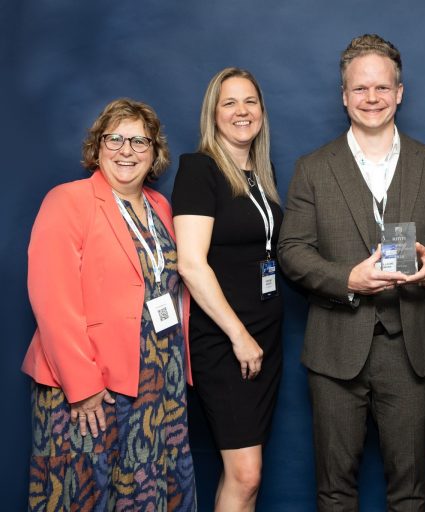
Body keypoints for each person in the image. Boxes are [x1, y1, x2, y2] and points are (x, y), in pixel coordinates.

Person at [278, 34, 425, 511]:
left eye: (382, 87)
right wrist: (348, 280)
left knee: (410, 492)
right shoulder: (312, 169)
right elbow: (292, 251)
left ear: (399, 93)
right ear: (344, 96)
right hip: (335, 350)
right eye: (360, 88)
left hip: (412, 350)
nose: (372, 98)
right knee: (335, 491)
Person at [22, 98, 197, 511]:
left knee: (145, 494)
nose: (126, 151)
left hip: (157, 383)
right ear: (98, 146)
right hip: (90, 386)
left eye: (139, 141)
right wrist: (82, 387)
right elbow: (52, 300)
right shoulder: (68, 201)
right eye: (115, 139)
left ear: (154, 151)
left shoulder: (161, 207)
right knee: (84, 495)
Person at [172, 67, 282, 511]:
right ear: (213, 114)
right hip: (225, 339)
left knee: (245, 478)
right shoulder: (199, 169)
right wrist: (238, 336)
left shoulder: (261, 173)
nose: (242, 111)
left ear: (262, 111)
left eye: (250, 101)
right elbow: (191, 264)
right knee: (245, 473)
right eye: (229, 102)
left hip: (265, 336)